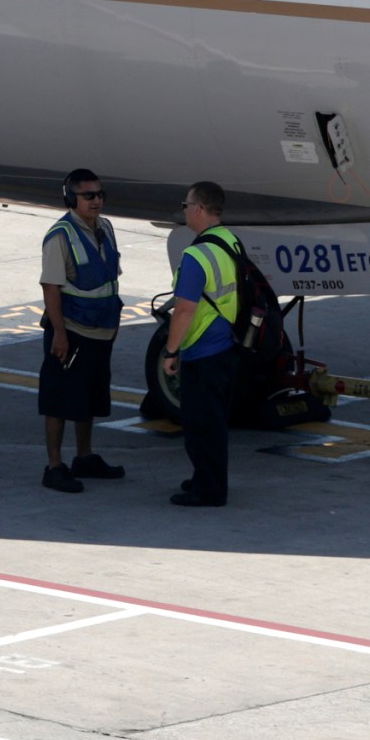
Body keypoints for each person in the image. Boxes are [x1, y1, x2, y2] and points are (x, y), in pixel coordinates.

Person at [38, 168, 125, 493]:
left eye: (100, 194)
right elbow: (51, 288)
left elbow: (110, 278)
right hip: (71, 332)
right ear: (71, 198)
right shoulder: (60, 235)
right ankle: (54, 466)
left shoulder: (106, 228)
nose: (97, 200)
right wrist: (59, 334)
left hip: (100, 331)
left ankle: (84, 458)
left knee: (89, 398)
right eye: (89, 195)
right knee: (58, 400)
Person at [163, 181, 242, 507]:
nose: (184, 210)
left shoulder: (196, 255)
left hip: (201, 349)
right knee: (214, 423)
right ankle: (206, 478)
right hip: (225, 346)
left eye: (186, 205)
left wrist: (170, 351)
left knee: (200, 427)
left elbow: (184, 310)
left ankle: (209, 490)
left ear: (198, 209)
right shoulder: (230, 241)